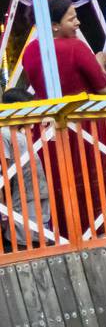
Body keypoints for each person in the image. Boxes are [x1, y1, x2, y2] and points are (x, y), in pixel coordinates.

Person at [20, 0, 106, 240]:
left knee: (58, 184)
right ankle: (95, 233)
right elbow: (104, 90)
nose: (78, 22)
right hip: (85, 128)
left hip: (47, 131)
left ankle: (62, 235)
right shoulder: (76, 48)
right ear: (54, 25)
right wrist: (101, 63)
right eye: (71, 18)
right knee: (92, 184)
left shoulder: (29, 52)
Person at [0, 89, 49, 250]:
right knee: (25, 234)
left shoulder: (16, 133)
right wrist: (4, 202)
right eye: (28, 111)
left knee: (37, 228)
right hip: (23, 192)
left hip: (33, 187)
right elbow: (4, 170)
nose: (31, 115)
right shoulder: (4, 133)